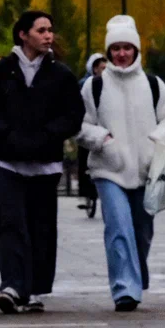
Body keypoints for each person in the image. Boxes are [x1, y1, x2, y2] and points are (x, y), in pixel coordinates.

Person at [0, 11, 84, 315]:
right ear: (23, 34)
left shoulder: (60, 75)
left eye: (50, 30)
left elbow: (74, 115)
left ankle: (34, 288)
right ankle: (11, 286)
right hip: (8, 163)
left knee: (41, 226)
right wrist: (6, 135)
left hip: (45, 164)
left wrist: (49, 135)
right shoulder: (2, 72)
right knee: (11, 223)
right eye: (41, 30)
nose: (48, 35)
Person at [77, 16, 165, 311]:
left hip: (147, 172)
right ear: (108, 52)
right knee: (118, 227)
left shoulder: (153, 85)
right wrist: (103, 140)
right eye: (115, 48)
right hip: (108, 169)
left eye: (127, 47)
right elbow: (80, 125)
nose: (121, 54)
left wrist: (156, 140)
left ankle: (136, 271)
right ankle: (125, 288)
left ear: (136, 50)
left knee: (142, 231)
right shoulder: (94, 87)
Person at [75, 53, 108, 214]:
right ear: (95, 68)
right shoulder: (85, 84)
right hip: (88, 126)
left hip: (104, 129)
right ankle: (86, 192)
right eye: (102, 68)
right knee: (83, 159)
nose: (104, 71)